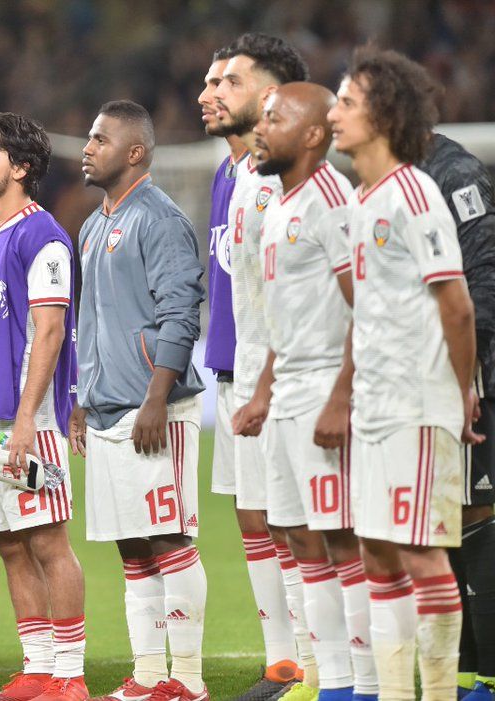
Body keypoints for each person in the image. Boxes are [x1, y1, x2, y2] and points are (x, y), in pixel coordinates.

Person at [328, 46, 474, 701]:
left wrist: (460, 392)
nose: (334, 114)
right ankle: (394, 692)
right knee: (378, 550)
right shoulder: (363, 200)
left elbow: (457, 304)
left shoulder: (415, 193)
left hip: (416, 404)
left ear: (384, 115)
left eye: (347, 103)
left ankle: (436, 694)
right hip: (375, 406)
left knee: (420, 550)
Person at [234, 82, 373, 701]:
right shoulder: (280, 205)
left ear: (314, 134)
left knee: (341, 537)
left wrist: (342, 396)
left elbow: (365, 304)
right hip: (287, 393)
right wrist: (264, 391)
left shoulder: (331, 199)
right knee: (299, 538)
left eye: (274, 119)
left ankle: (368, 683)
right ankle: (334, 682)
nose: (260, 129)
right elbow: (280, 316)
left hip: (324, 390)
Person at [73, 101, 207, 701]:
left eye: (100, 139)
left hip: (153, 409)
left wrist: (157, 398)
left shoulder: (160, 218)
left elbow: (181, 313)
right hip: (107, 408)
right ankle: (151, 674)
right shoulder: (92, 225)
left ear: (134, 152)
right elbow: (90, 322)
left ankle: (189, 680)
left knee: (168, 538)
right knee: (132, 546)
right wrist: (81, 395)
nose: (87, 148)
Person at [211, 35, 328, 701]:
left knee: (303, 523)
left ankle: (324, 666)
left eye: (230, 81)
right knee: (264, 518)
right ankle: (291, 664)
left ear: (271, 94)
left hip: (292, 382)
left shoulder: (295, 187)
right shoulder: (239, 179)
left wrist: (271, 380)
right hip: (250, 373)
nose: (212, 92)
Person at [0, 111, 87, 701]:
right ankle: (37, 666)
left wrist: (30, 417)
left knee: (48, 542)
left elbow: (50, 331)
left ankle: (70, 674)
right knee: (9, 543)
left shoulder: (44, 236)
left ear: (21, 167)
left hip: (33, 424)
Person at [417, 131, 495, 701]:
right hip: (420, 375)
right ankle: (465, 673)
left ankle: (489, 675)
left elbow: (485, 274)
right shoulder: (386, 178)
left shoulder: (454, 172)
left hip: (468, 371)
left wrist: (466, 368)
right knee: (439, 515)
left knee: (473, 508)